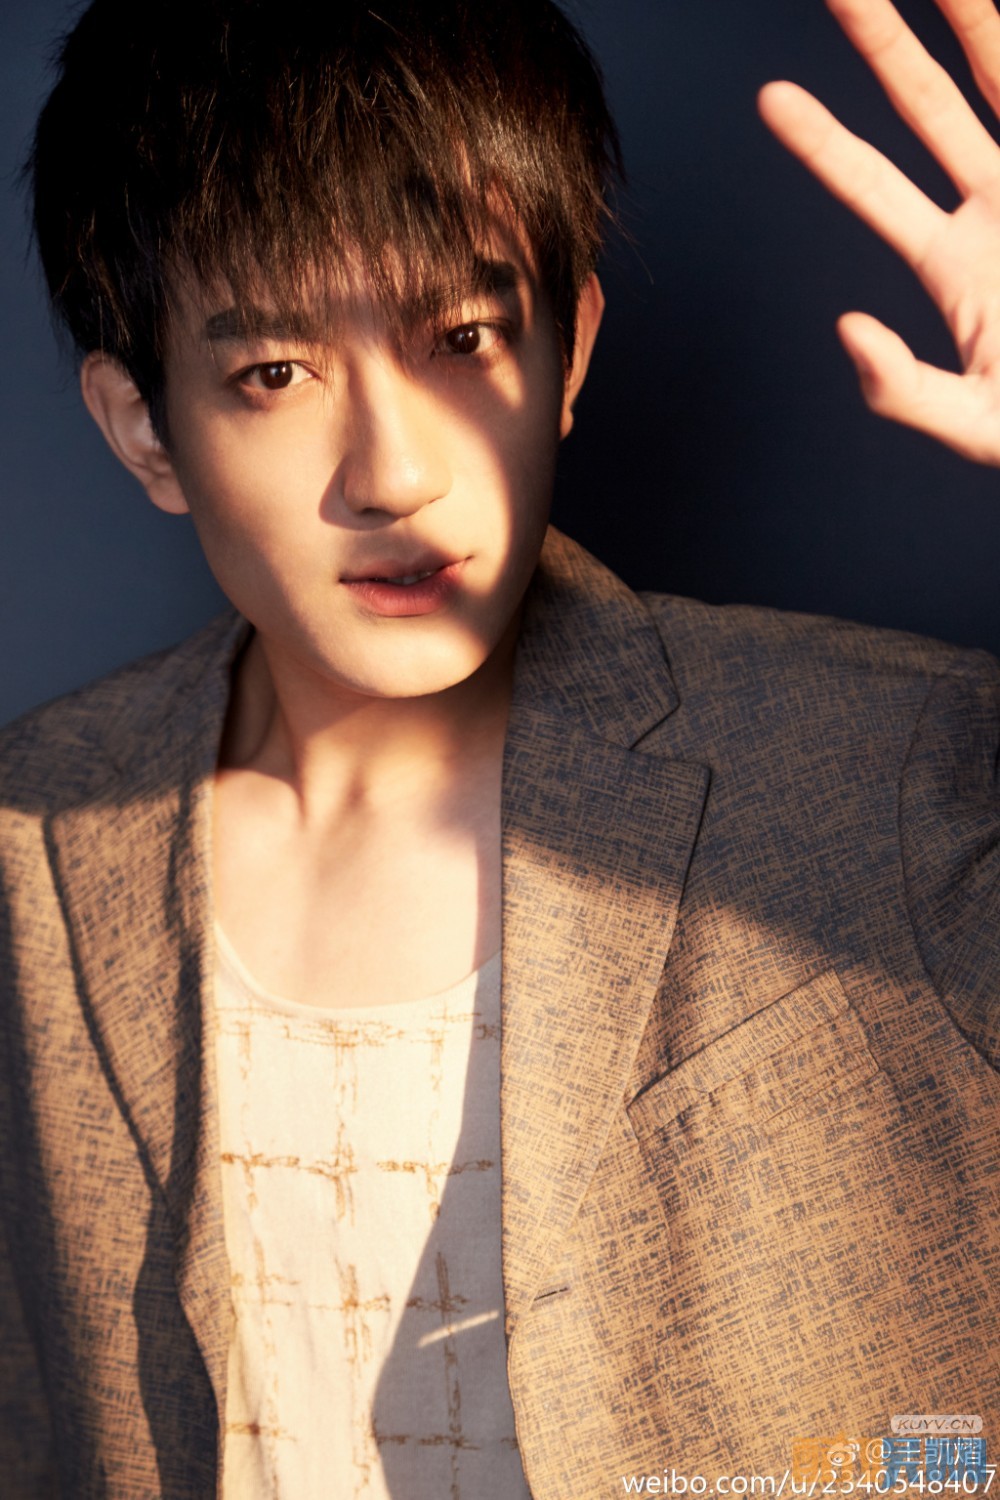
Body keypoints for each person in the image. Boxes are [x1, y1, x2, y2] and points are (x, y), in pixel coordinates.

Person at [0, 0, 997, 1496]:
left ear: (569, 346)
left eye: (462, 339)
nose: (396, 474)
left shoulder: (894, 768)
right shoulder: (32, 837)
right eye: (275, 373)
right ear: (145, 429)